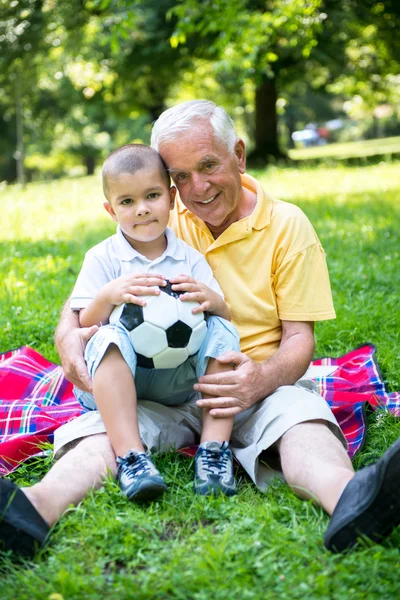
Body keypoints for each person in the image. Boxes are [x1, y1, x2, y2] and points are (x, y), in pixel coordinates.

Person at [1, 100, 400, 559]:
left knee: (301, 422)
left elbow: (298, 340)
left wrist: (259, 382)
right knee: (103, 434)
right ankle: (31, 509)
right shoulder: (160, 220)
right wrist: (70, 344)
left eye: (208, 165)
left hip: (250, 382)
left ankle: (352, 500)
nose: (198, 188)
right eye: (181, 176)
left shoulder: (287, 225)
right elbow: (79, 312)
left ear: (240, 156)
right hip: (157, 387)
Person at [69, 143, 240, 501]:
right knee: (107, 336)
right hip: (117, 380)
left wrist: (215, 302)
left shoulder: (188, 259)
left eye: (152, 195)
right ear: (110, 210)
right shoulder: (103, 258)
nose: (142, 209)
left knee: (222, 330)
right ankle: (132, 457)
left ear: (172, 197)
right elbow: (84, 323)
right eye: (127, 202)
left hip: (178, 383)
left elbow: (223, 316)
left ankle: (213, 452)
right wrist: (108, 296)